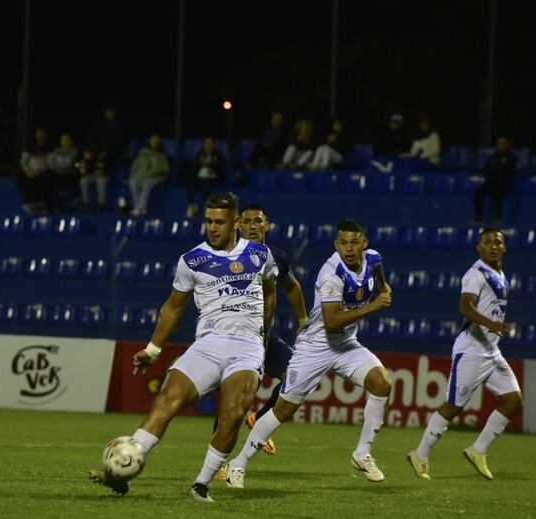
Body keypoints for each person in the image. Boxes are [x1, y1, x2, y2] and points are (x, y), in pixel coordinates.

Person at [89, 191, 276, 503]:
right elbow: (174, 308)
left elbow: (270, 290)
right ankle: (121, 469)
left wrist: (264, 334)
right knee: (168, 399)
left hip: (246, 347)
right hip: (207, 345)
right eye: (208, 221)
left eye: (219, 222)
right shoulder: (192, 260)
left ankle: (201, 484)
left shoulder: (259, 255)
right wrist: (152, 349)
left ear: (235, 223)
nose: (212, 228)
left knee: (232, 412)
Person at [225, 219, 393, 489]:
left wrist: (384, 288)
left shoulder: (373, 259)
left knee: (382, 384)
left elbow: (378, 271)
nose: (348, 248)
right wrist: (374, 305)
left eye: (354, 242)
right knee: (284, 408)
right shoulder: (331, 273)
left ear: (365, 243)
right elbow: (332, 321)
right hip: (316, 347)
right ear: (336, 244)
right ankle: (238, 463)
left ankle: (362, 454)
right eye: (343, 243)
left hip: (347, 345)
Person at [407, 228, 522, 481]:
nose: (492, 246)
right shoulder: (476, 274)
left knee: (513, 402)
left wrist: (493, 327)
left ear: (504, 248)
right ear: (478, 248)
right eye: (487, 242)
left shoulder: (501, 275)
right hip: (471, 350)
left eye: (497, 242)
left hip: (491, 351)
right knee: (453, 407)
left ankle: (478, 450)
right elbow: (464, 306)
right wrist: (490, 324)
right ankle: (420, 454)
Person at [212, 203, 308, 479]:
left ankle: (260, 418)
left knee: (298, 373)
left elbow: (292, 285)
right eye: (248, 221)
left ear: (267, 225)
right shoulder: (227, 254)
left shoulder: (276, 257)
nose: (253, 226)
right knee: (233, 397)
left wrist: (302, 319)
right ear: (238, 224)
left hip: (264, 335)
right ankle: (218, 463)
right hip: (235, 335)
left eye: (259, 221)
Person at [472, 136, 517, 225]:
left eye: (503, 144)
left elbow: (509, 171)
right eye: (499, 144)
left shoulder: (511, 157)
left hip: (504, 183)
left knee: (498, 193)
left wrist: (498, 172)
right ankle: (479, 216)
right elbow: (487, 168)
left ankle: (498, 217)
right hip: (491, 182)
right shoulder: (493, 156)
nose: (501, 146)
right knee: (478, 193)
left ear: (507, 145)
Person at [127, 134, 170, 216]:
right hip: (143, 175)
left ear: (159, 143)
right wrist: (133, 175)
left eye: (156, 141)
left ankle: (141, 208)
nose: (154, 143)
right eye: (153, 141)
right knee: (133, 182)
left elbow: (163, 169)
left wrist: (148, 175)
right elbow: (136, 165)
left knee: (148, 183)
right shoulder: (143, 153)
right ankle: (138, 208)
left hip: (157, 176)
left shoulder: (161, 155)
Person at [186, 137, 225, 218]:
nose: (208, 146)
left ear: (214, 145)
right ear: (204, 145)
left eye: (211, 144)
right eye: (207, 144)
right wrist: (202, 164)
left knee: (206, 184)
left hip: (212, 177)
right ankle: (192, 205)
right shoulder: (200, 154)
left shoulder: (218, 155)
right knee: (190, 183)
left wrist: (211, 165)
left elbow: (221, 169)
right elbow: (194, 167)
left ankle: (207, 208)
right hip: (200, 177)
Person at [17, 128, 52, 214]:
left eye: (42, 133)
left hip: (43, 171)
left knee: (45, 178)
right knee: (24, 178)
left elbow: (51, 162)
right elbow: (24, 162)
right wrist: (28, 171)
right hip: (30, 172)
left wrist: (40, 171)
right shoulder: (29, 147)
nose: (40, 135)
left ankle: (41, 204)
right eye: (38, 133)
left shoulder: (50, 148)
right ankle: (29, 203)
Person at [46, 133, 80, 213]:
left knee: (58, 182)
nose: (65, 142)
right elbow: (50, 163)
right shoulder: (56, 151)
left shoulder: (75, 151)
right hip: (57, 174)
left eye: (67, 140)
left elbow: (69, 163)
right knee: (48, 180)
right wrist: (60, 166)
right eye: (63, 140)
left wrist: (58, 166)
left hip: (70, 174)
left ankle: (71, 203)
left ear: (71, 141)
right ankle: (48, 206)